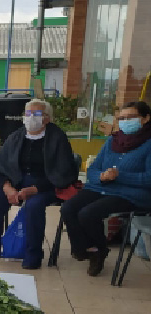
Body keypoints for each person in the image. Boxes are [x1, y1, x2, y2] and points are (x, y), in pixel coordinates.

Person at [0, 99, 79, 269]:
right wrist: (7, 187)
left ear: (47, 118)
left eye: (36, 114)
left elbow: (64, 172)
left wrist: (36, 189)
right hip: (15, 181)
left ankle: (33, 253)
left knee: (34, 205)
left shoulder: (57, 138)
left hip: (45, 185)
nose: (31, 117)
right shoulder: (16, 136)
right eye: (28, 114)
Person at [61, 101, 151, 276]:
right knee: (68, 208)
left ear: (146, 118)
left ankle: (98, 251)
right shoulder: (113, 140)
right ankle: (85, 249)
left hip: (131, 195)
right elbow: (93, 168)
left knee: (88, 213)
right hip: (102, 187)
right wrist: (101, 176)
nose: (125, 121)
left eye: (131, 117)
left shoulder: (148, 144)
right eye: (122, 118)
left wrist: (120, 175)